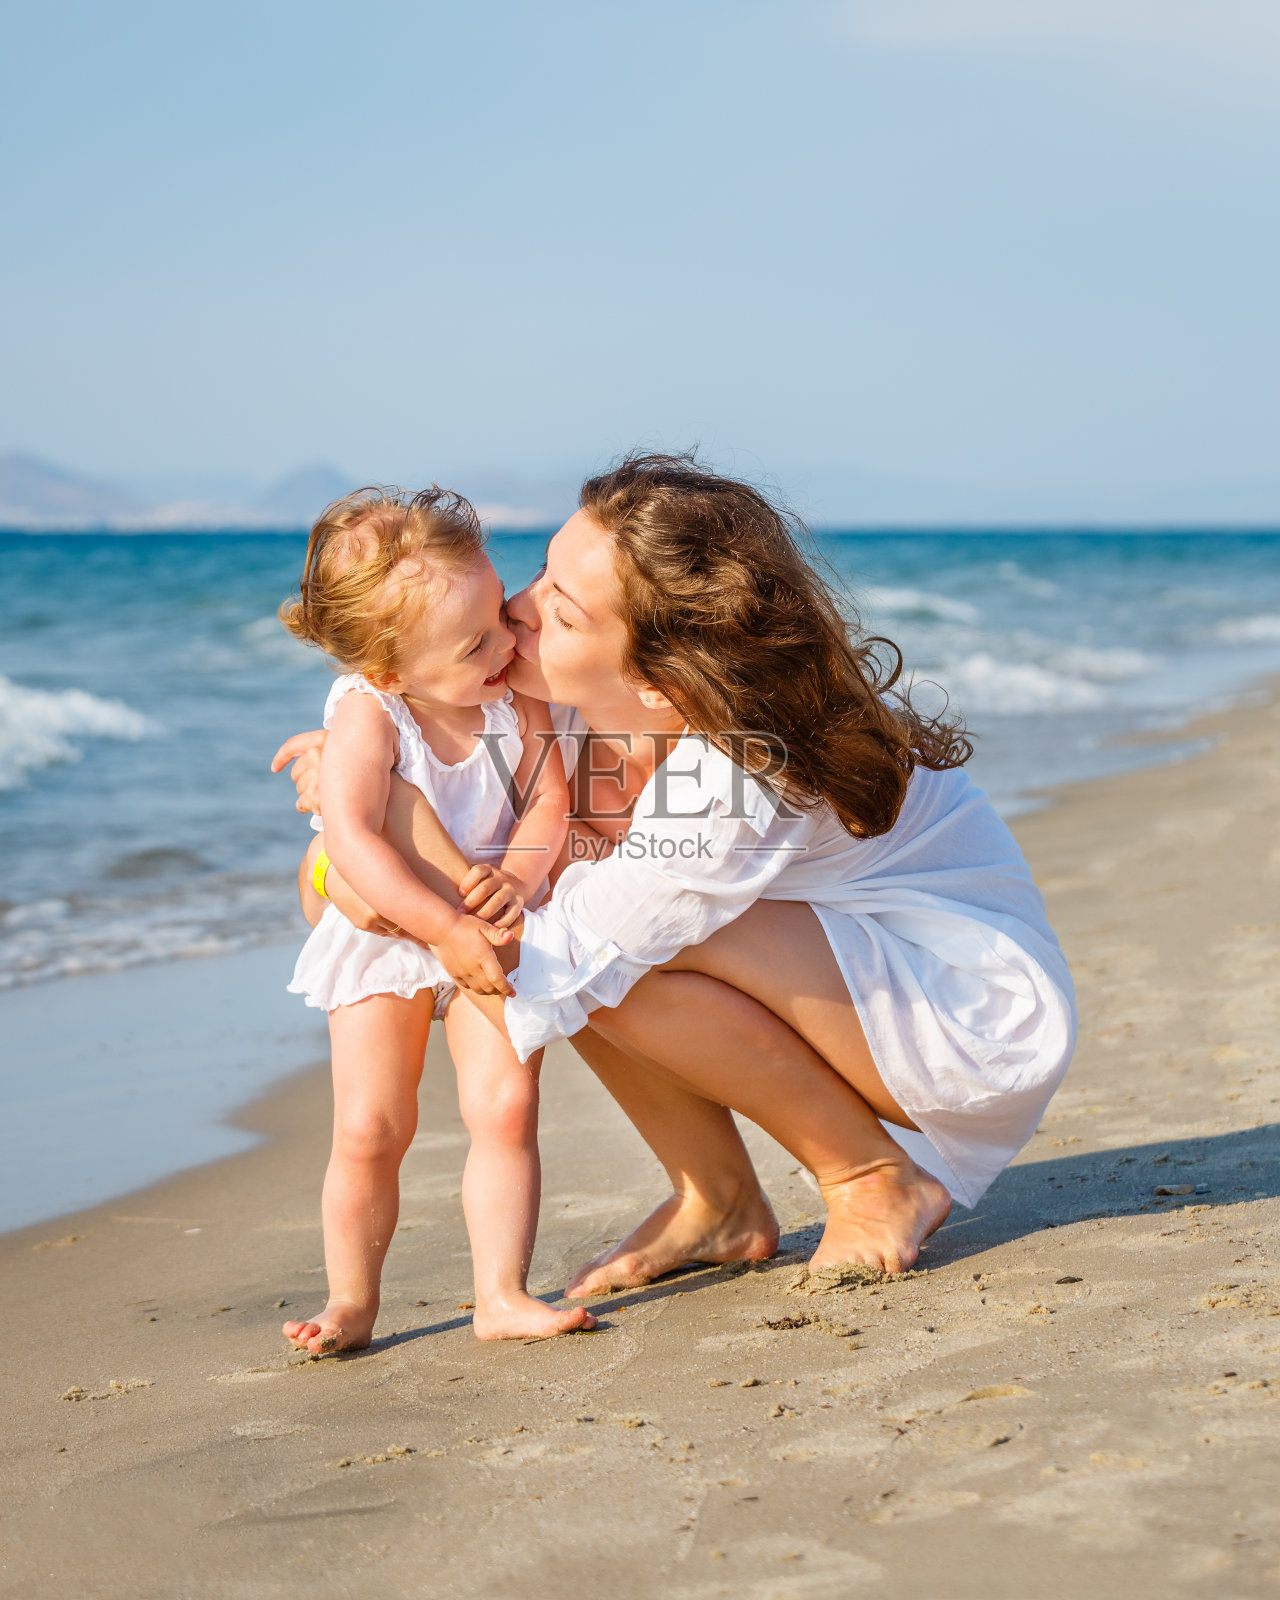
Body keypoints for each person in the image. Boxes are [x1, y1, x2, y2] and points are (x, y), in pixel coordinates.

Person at [276, 454, 1076, 1293]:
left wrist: (391, 825)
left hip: (968, 1006)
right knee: (575, 924)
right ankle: (718, 1199)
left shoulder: (732, 776)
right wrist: (354, 827)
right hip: (846, 967)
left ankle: (869, 1176)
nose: (516, 612)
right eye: (545, 570)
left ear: (658, 681)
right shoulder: (562, 712)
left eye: (563, 612)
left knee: (581, 945)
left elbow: (542, 957)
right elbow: (328, 896)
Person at [277, 486, 594, 1352]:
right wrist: (440, 927)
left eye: (500, 617)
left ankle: (500, 1294)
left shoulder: (511, 700)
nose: (506, 646)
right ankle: (352, 1301)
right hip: (395, 934)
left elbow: (548, 804)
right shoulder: (370, 714)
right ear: (388, 667)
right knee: (372, 1126)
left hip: (486, 928)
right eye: (476, 642)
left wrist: (519, 880)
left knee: (505, 1104)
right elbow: (352, 841)